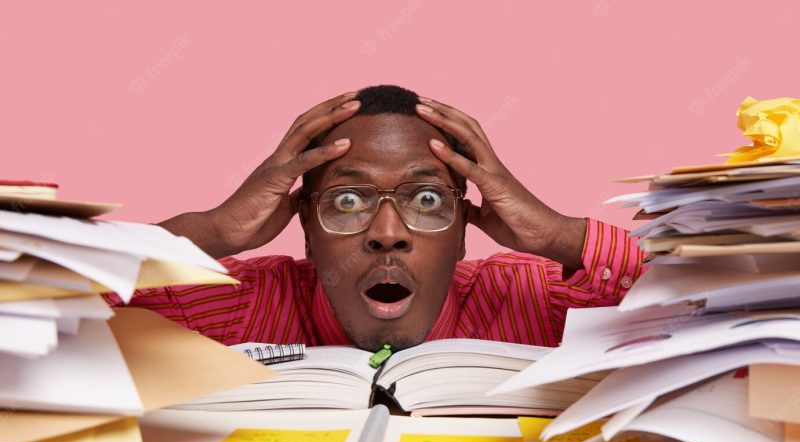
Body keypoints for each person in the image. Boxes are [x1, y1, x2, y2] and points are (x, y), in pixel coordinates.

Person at [118, 85, 644, 352]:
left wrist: (558, 235)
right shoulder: (238, 306)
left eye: (427, 201)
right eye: (347, 202)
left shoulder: (534, 299)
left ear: (465, 230)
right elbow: (49, 305)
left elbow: (713, 313)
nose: (387, 235)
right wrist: (213, 231)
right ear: (304, 230)